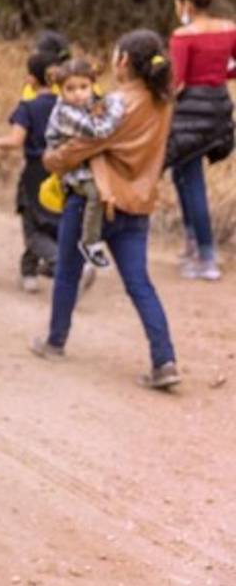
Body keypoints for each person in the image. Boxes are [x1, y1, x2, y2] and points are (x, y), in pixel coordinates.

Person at [32, 30, 181, 389]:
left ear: (124, 61)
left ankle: (55, 341)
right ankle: (165, 359)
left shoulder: (116, 103)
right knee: (139, 283)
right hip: (138, 203)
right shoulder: (162, 102)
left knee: (68, 270)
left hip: (94, 200)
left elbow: (83, 146)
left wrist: (52, 159)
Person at [166, 0, 236, 282]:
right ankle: (193, 243)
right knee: (182, 173)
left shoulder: (183, 37)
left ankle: (206, 255)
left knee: (189, 178)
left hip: (189, 111)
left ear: (185, 4)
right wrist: (219, 76)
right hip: (219, 107)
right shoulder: (229, 29)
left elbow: (177, 82)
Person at [0, 49, 65, 292]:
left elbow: (16, 140)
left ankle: (59, 263)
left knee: (32, 226)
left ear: (31, 79)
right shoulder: (66, 105)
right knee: (53, 220)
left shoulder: (28, 107)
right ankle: (29, 269)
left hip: (35, 171)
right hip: (62, 169)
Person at [44, 59, 126, 269]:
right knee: (95, 193)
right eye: (70, 89)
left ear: (92, 85)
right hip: (72, 168)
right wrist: (118, 103)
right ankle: (90, 242)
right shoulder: (65, 112)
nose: (78, 93)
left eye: (83, 87)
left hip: (85, 159)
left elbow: (103, 106)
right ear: (60, 91)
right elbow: (99, 131)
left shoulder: (90, 102)